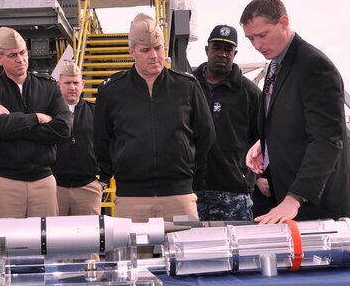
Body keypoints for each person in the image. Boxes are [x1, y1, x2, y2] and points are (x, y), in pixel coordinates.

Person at [94, 13, 215, 256]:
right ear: (131, 51)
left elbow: (206, 135)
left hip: (179, 196)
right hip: (131, 200)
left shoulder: (187, 87)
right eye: (146, 49)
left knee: (187, 264)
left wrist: (188, 170)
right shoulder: (111, 91)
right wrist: (116, 169)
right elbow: (102, 140)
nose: (154, 55)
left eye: (158, 48)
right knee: (133, 271)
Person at [240, 0, 350, 224]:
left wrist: (295, 198)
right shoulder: (275, 65)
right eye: (251, 39)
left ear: (284, 22)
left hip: (318, 207)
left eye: (263, 35)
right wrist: (266, 143)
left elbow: (328, 140)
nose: (257, 45)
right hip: (286, 200)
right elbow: (291, 116)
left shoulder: (314, 66)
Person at [0, 27, 71, 219]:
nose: (20, 59)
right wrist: (37, 118)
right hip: (3, 183)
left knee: (45, 245)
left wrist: (12, 121)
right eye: (12, 55)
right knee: (0, 245)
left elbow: (63, 129)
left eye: (23, 53)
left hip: (43, 183)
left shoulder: (48, 86)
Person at [192, 24, 261, 221]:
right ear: (207, 50)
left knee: (236, 251)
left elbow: (263, 140)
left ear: (235, 53)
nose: (222, 54)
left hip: (234, 193)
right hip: (190, 191)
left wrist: (260, 177)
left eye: (228, 50)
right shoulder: (188, 87)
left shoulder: (250, 93)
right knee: (188, 250)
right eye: (217, 48)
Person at [52, 61, 103, 216]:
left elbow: (108, 145)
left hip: (87, 188)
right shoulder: (49, 113)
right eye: (67, 83)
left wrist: (104, 179)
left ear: (83, 84)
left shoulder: (96, 113)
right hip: (55, 188)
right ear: (58, 83)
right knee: (55, 237)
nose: (72, 87)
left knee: (89, 237)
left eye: (76, 83)